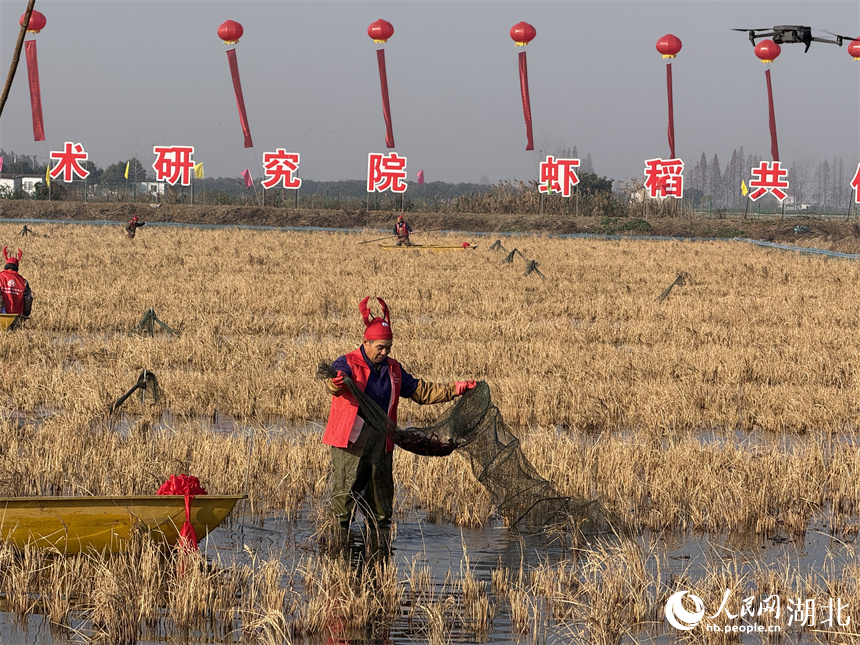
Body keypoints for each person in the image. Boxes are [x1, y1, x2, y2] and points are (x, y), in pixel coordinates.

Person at [323, 296, 475, 535]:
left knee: (380, 498)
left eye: (388, 348)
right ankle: (337, 543)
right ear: (366, 342)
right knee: (345, 495)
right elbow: (335, 383)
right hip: (351, 441)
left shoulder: (394, 368)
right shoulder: (347, 363)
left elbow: (419, 391)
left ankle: (380, 547)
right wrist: (337, 382)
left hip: (382, 441)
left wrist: (455, 390)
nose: (384, 352)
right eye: (379, 347)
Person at [0, 247, 32, 317]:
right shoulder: (24, 282)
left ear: (6, 266)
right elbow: (27, 300)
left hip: (1, 316)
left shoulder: (0, 277)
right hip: (16, 316)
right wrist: (25, 314)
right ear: (17, 267)